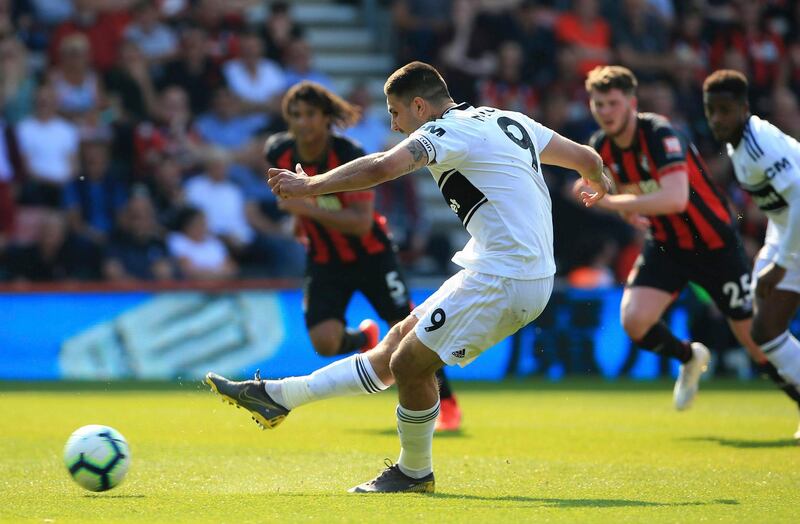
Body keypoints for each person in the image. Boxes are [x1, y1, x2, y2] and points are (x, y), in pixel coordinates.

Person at [206, 62, 607, 493]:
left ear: (419, 105)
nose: (395, 125)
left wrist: (309, 186)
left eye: (396, 113)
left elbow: (380, 167)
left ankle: (414, 472)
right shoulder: (506, 118)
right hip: (500, 268)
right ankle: (277, 397)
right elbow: (587, 157)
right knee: (395, 345)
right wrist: (597, 179)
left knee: (409, 364)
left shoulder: (447, 130)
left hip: (507, 276)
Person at [264, 81, 461, 432]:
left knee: (414, 331)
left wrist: (304, 210)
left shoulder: (348, 153)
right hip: (324, 259)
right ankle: (363, 341)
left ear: (326, 118)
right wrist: (300, 217)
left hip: (373, 257)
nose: (302, 122)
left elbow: (359, 223)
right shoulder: (279, 152)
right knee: (325, 343)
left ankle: (446, 403)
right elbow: (295, 202)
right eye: (295, 115)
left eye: (310, 114)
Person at [576, 65, 766, 410]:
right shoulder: (601, 146)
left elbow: (674, 198)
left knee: (755, 343)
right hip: (667, 245)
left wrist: (614, 202)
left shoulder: (661, 134)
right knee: (634, 320)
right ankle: (689, 356)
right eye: (598, 104)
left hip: (714, 244)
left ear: (631, 103)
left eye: (612, 103)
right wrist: (619, 204)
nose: (605, 112)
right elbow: (605, 187)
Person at [703, 69, 800, 440]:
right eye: (711, 110)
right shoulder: (738, 144)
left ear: (744, 108)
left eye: (725, 110)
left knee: (765, 329)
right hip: (786, 230)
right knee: (763, 329)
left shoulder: (760, 145)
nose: (716, 119)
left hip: (794, 233)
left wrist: (781, 263)